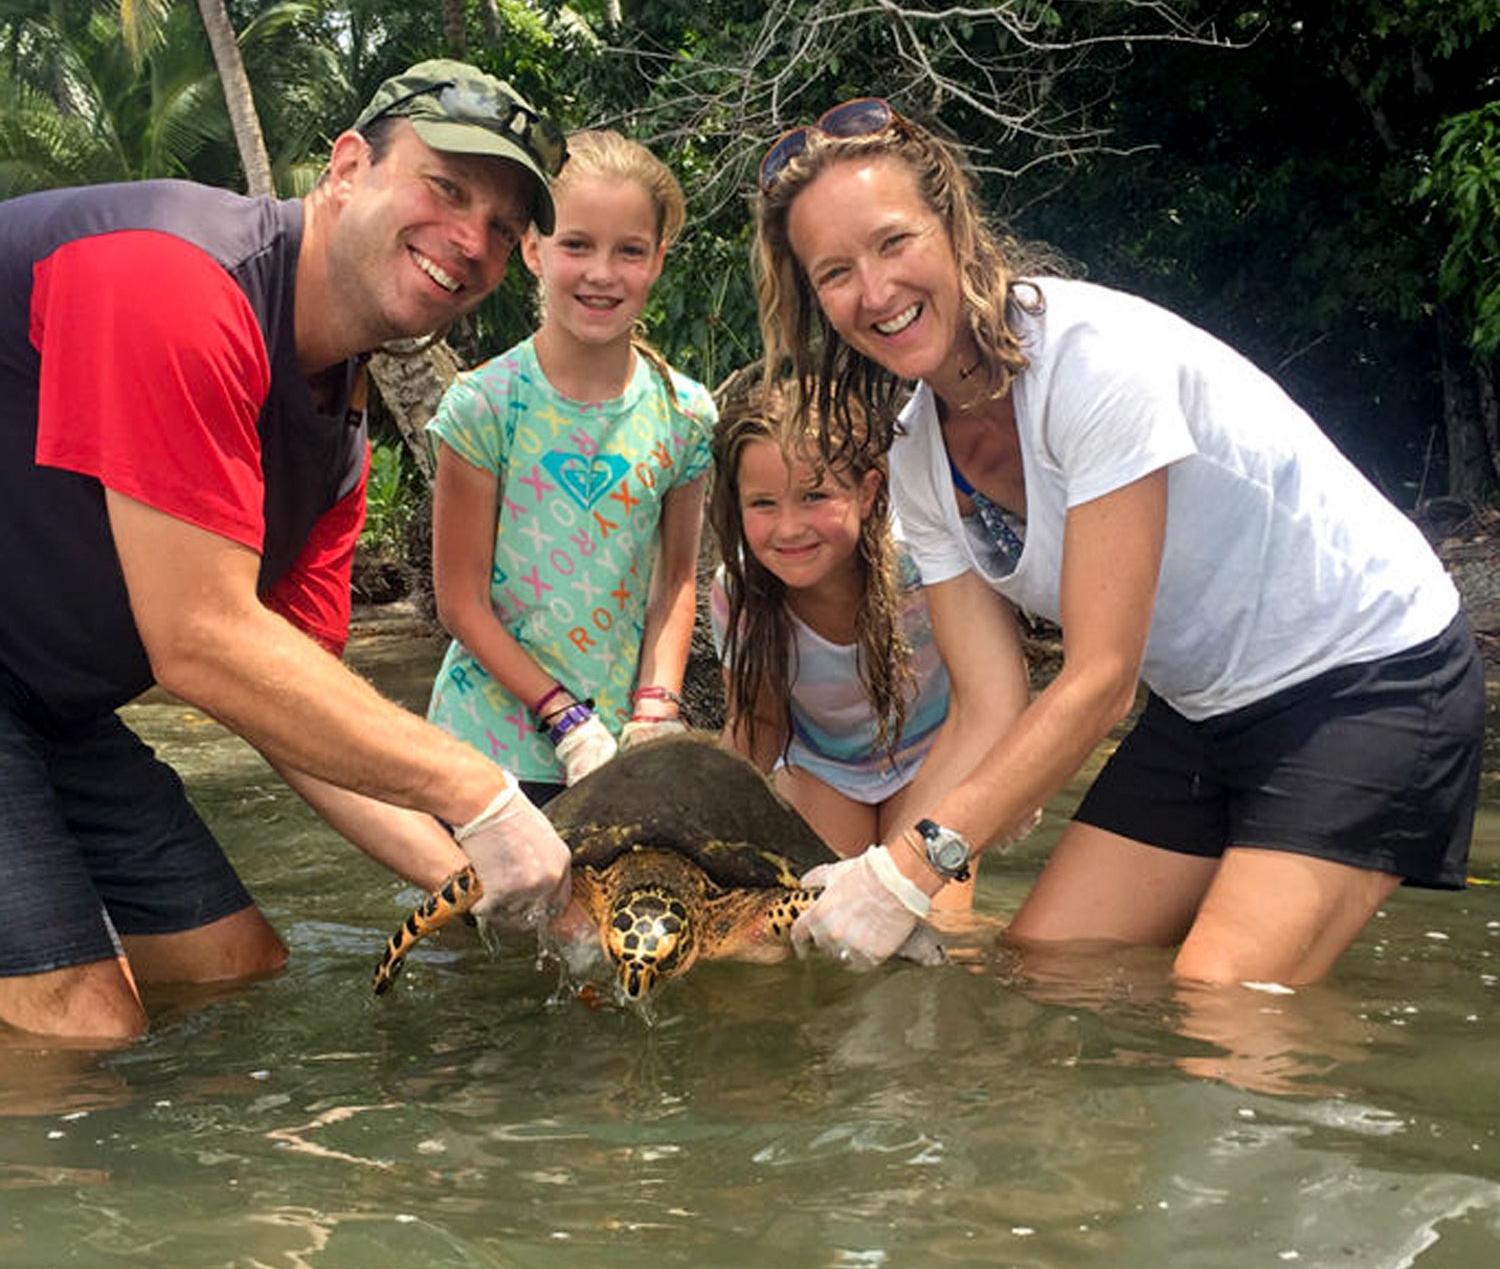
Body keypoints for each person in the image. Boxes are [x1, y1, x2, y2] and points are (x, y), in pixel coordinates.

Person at [752, 96, 1483, 987]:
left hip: (1370, 677)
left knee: (1218, 1000)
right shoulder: (915, 455)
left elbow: (1100, 682)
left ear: (953, 225)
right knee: (1041, 971)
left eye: (894, 242)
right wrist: (911, 895)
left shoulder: (1090, 359)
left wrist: (910, 866)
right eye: (835, 272)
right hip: (1207, 708)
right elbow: (987, 706)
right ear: (813, 299)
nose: (874, 292)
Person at [0, 58, 578, 1043]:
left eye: (502, 227)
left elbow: (290, 701)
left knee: (234, 974)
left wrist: (482, 877)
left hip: (44, 703)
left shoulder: (339, 435)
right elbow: (201, 641)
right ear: (347, 168)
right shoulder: (173, 278)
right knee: (81, 1026)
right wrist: (484, 794)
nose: (470, 242)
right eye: (445, 188)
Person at [426, 129, 715, 804]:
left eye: (630, 251)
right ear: (533, 249)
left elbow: (674, 582)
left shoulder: (685, 414)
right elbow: (460, 602)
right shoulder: (485, 406)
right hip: (485, 749)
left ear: (658, 261)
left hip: (620, 751)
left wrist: (656, 708)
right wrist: (563, 717)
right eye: (576, 244)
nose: (602, 273)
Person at [707, 365, 1018, 909]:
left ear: (869, 489)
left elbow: (989, 691)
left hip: (935, 755)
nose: (789, 528)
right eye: (762, 503)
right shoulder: (738, 593)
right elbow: (756, 726)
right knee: (815, 921)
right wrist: (711, 839)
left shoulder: (925, 564)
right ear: (737, 501)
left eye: (814, 496)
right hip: (824, 769)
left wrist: (1012, 785)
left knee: (923, 922)